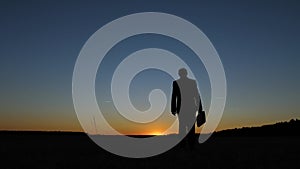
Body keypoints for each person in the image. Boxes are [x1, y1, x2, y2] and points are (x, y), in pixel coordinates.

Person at [171, 68, 203, 148]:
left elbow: (174, 97)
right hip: (190, 108)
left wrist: (173, 109)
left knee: (183, 128)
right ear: (186, 73)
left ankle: (185, 146)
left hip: (183, 109)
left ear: (180, 74)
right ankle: (190, 146)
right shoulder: (191, 82)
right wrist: (199, 108)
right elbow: (197, 96)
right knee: (190, 128)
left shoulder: (176, 83)